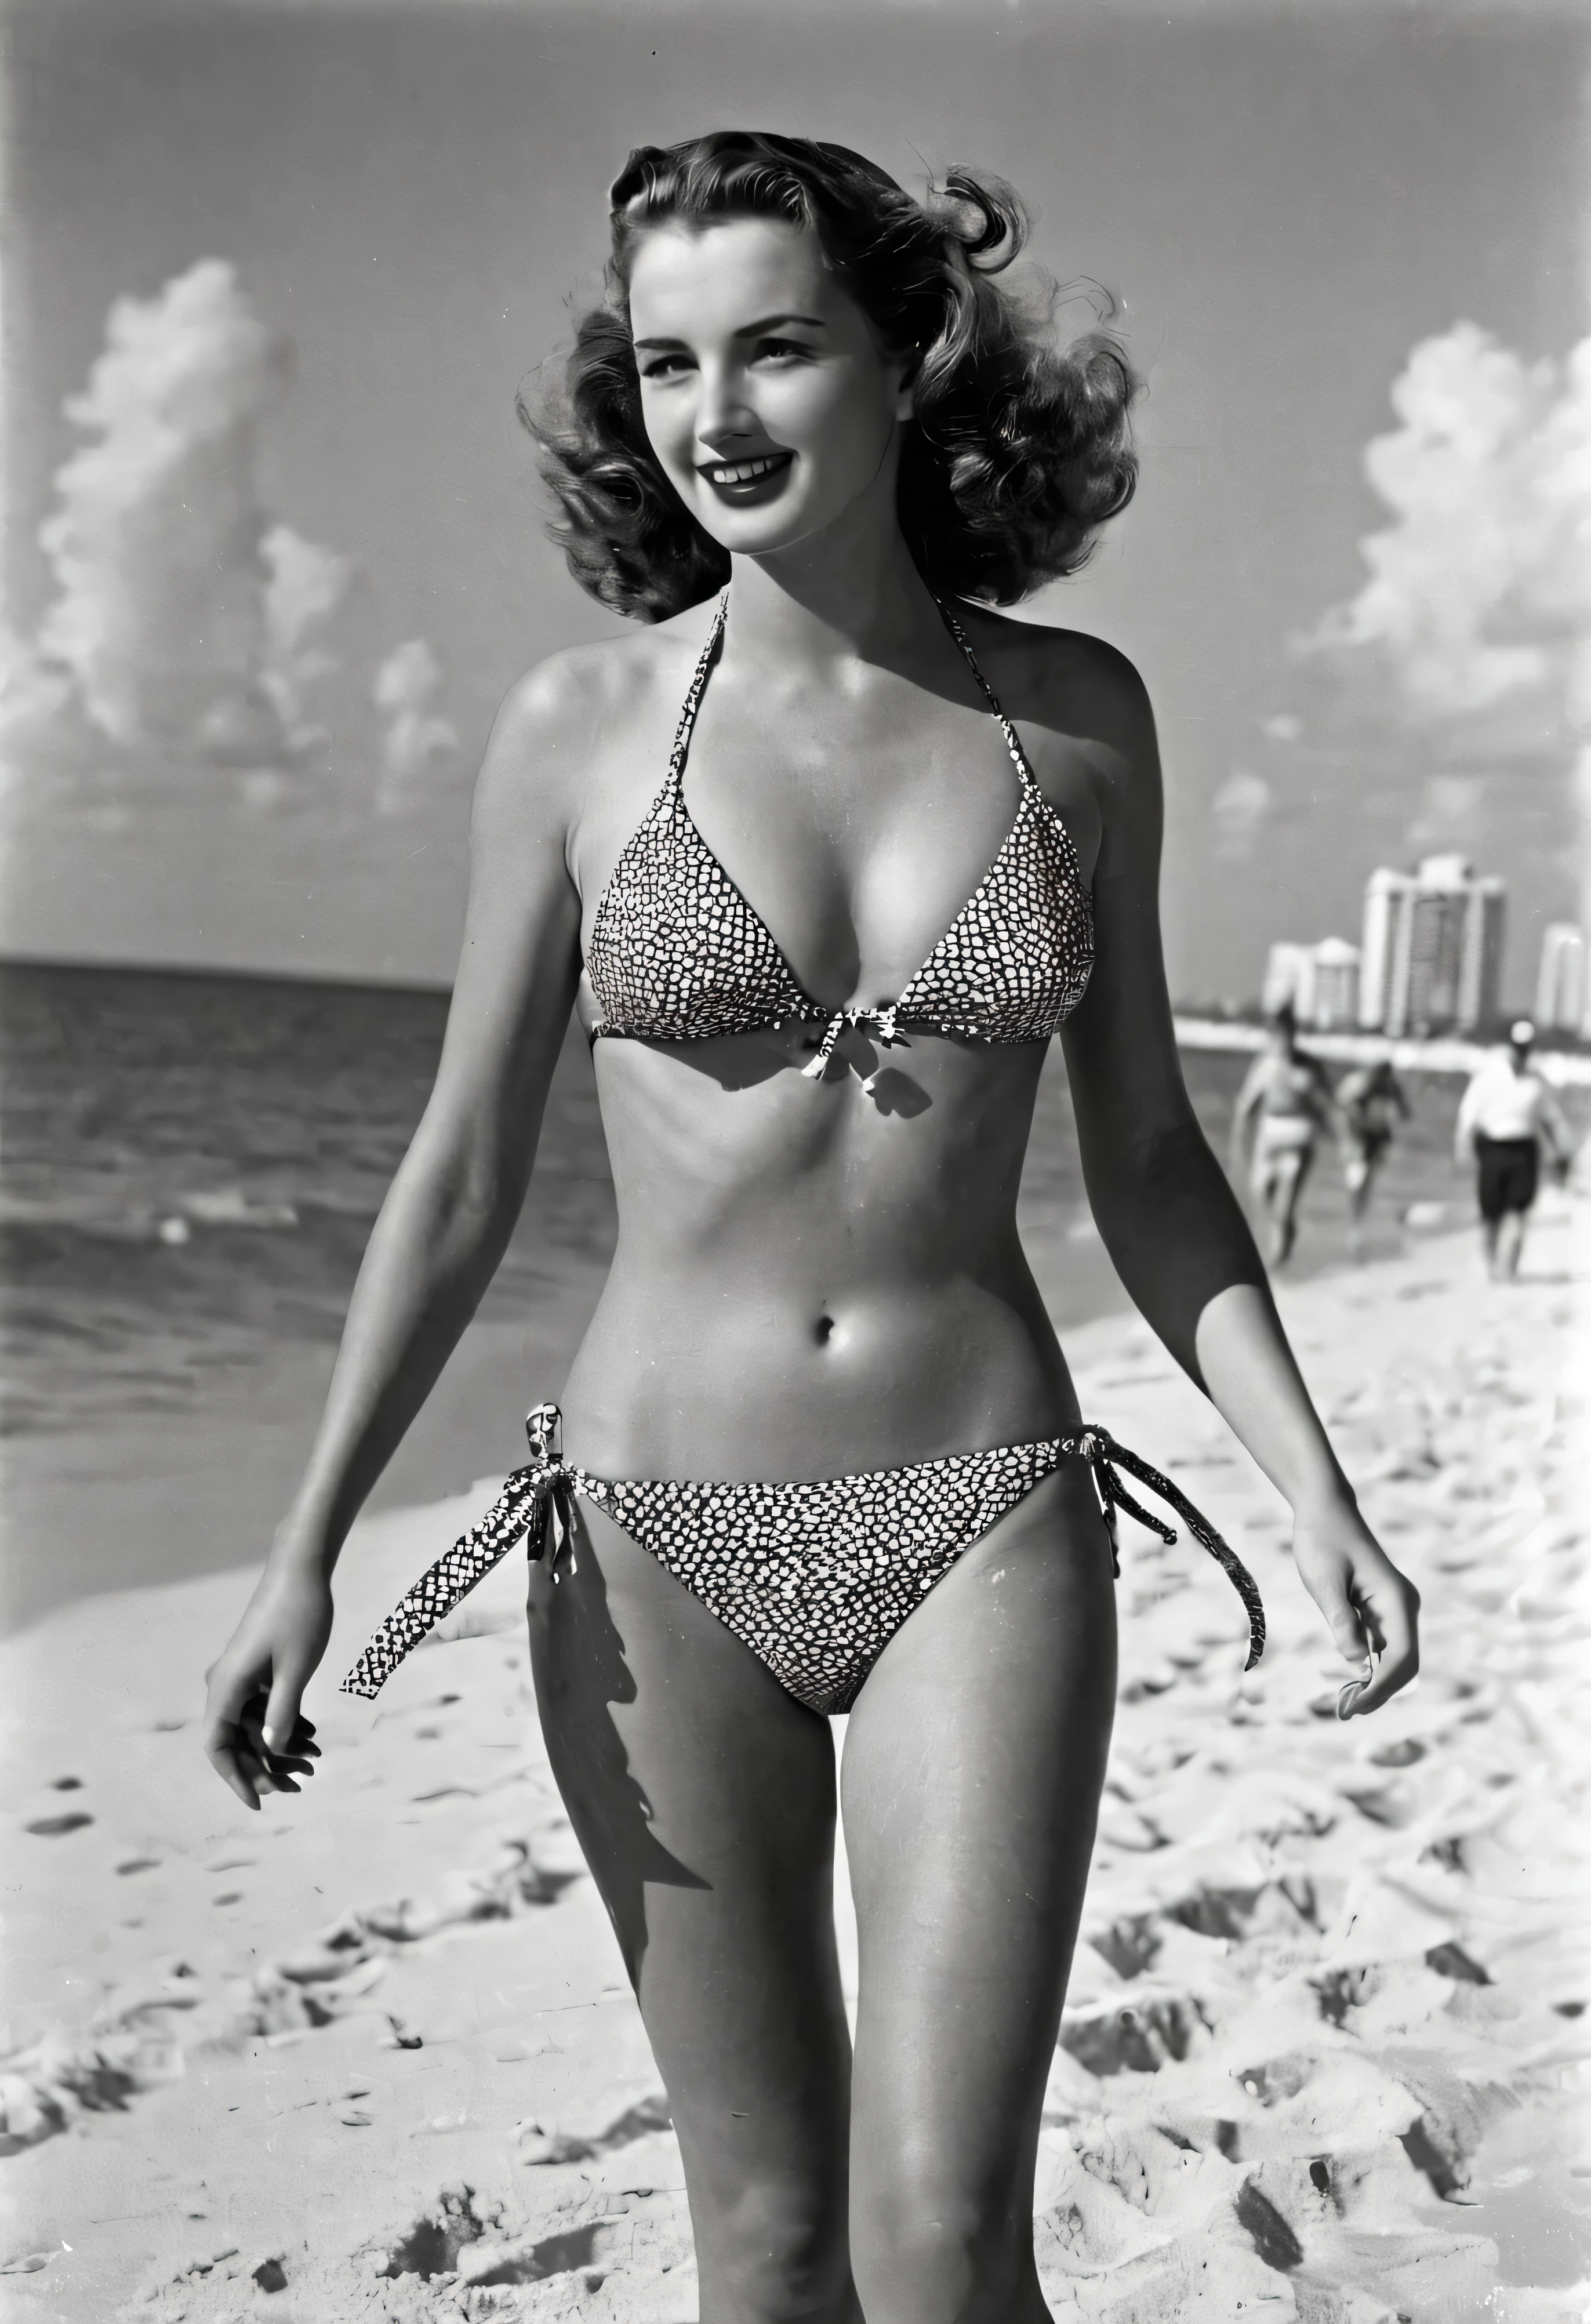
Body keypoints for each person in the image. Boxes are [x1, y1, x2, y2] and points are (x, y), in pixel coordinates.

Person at [202, 135, 1419, 2322]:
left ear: (906, 358)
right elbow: (465, 1170)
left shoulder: (1075, 722)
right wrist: (306, 1540)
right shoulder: (574, 732)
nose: (717, 415)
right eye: (667, 361)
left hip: (985, 1511)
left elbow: (1147, 1156)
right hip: (648, 1528)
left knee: (947, 2246)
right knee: (763, 2247)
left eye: (775, 345)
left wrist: (1308, 1485)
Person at [1455, 1019, 1572, 1281]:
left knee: (1518, 1211)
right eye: (1518, 1047)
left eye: (1526, 1047)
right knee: (1491, 1215)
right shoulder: (1488, 1077)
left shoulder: (1537, 1081)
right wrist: (1462, 1145)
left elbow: (1552, 1119)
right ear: (1508, 1046)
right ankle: (1491, 1267)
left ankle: (1508, 1271)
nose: (1522, 1052)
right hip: (1492, 1149)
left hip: (1524, 1150)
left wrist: (1562, 1153)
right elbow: (1468, 1114)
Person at [1229, 1003, 1338, 1266]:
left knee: (1284, 1204)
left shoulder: (1310, 1067)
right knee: (1260, 1193)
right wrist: (1236, 1144)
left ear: (1293, 1034)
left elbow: (1329, 1105)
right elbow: (1244, 1106)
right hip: (1269, 1136)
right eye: (1276, 1035)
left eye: (1286, 1034)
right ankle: (1282, 1238)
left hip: (1299, 1137)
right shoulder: (1265, 1065)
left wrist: (1338, 1136)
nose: (1281, 1041)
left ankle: (1278, 1262)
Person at [1335, 1055, 1410, 1255]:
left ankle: (1357, 1226)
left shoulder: (1389, 1086)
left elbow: (1405, 1113)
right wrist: (1351, 1140)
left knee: (1364, 1183)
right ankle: (1355, 1226)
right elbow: (1347, 1110)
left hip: (1376, 1139)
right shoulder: (1364, 1085)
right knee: (1359, 1183)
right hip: (1361, 1139)